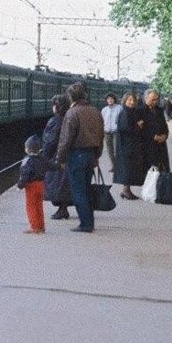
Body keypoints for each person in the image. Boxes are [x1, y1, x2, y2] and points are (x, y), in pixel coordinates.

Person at [54, 82, 104, 233]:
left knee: (78, 191)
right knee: (87, 189)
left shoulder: (72, 113)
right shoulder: (95, 111)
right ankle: (89, 222)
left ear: (70, 97)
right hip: (91, 155)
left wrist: (60, 158)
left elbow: (66, 139)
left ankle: (86, 224)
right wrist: (97, 155)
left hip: (76, 155)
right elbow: (101, 135)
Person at [41, 94, 70, 220]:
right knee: (63, 183)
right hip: (69, 156)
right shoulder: (70, 118)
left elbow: (50, 142)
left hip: (57, 157)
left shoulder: (55, 121)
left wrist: (44, 158)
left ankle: (62, 209)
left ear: (57, 107)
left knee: (57, 183)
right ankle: (63, 208)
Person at [113, 92, 144, 200]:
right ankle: (126, 190)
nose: (132, 102)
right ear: (125, 101)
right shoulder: (125, 112)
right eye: (129, 100)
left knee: (129, 167)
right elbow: (126, 129)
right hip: (126, 145)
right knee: (127, 167)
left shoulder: (131, 111)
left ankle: (126, 190)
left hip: (130, 144)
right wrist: (138, 126)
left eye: (133, 100)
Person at [17, 134, 50, 234]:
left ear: (27, 149)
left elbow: (24, 175)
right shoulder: (42, 159)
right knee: (39, 206)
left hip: (31, 186)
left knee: (31, 206)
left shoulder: (27, 161)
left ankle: (34, 227)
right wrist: (59, 166)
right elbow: (51, 165)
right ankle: (41, 226)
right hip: (41, 184)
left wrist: (20, 185)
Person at [141, 88, 171, 174]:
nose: (155, 101)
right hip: (148, 145)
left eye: (156, 99)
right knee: (150, 171)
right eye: (153, 99)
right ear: (146, 98)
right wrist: (152, 136)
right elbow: (140, 130)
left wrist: (165, 135)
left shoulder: (159, 110)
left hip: (161, 144)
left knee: (163, 168)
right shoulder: (140, 111)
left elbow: (164, 126)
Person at [100, 93, 121, 172]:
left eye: (111, 98)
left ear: (114, 99)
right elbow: (102, 121)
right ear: (106, 100)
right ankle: (114, 166)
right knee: (110, 150)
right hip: (107, 132)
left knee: (116, 149)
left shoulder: (119, 108)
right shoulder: (104, 110)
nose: (110, 100)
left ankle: (118, 166)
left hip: (116, 132)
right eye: (108, 99)